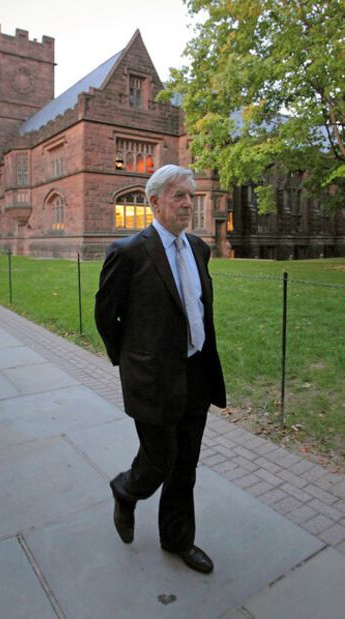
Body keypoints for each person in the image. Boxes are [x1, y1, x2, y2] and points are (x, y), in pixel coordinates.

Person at [95, 164, 226, 574]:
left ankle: (177, 540)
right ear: (154, 202)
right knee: (158, 462)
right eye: (179, 196)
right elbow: (106, 318)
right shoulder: (129, 253)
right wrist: (133, 363)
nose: (188, 203)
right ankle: (125, 490)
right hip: (153, 381)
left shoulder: (199, 249)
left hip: (197, 375)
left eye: (190, 195)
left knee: (185, 465)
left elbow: (199, 309)